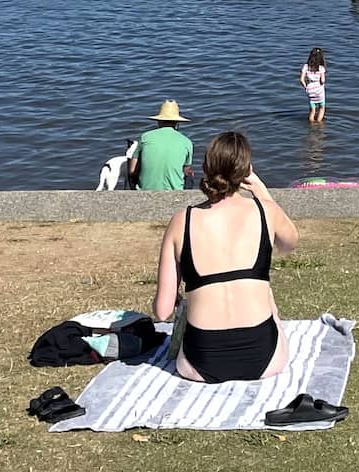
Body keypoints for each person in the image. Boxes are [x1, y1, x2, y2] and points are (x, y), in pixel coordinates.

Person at [154, 131, 299, 383]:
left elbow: (162, 312)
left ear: (206, 168)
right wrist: (261, 190)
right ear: (246, 170)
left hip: (199, 364)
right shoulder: (266, 212)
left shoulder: (182, 221)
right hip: (263, 360)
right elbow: (289, 243)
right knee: (266, 294)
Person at [129, 100, 194, 191]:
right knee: (190, 173)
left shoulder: (145, 137)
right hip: (175, 191)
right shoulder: (187, 141)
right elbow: (186, 171)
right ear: (177, 123)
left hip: (145, 190)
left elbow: (132, 170)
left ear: (159, 121)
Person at [300, 47, 327, 123]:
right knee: (322, 107)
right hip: (319, 90)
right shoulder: (321, 68)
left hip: (310, 89)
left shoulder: (306, 67)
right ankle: (319, 124)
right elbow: (323, 80)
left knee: (312, 110)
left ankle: (312, 124)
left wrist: (306, 87)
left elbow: (301, 80)